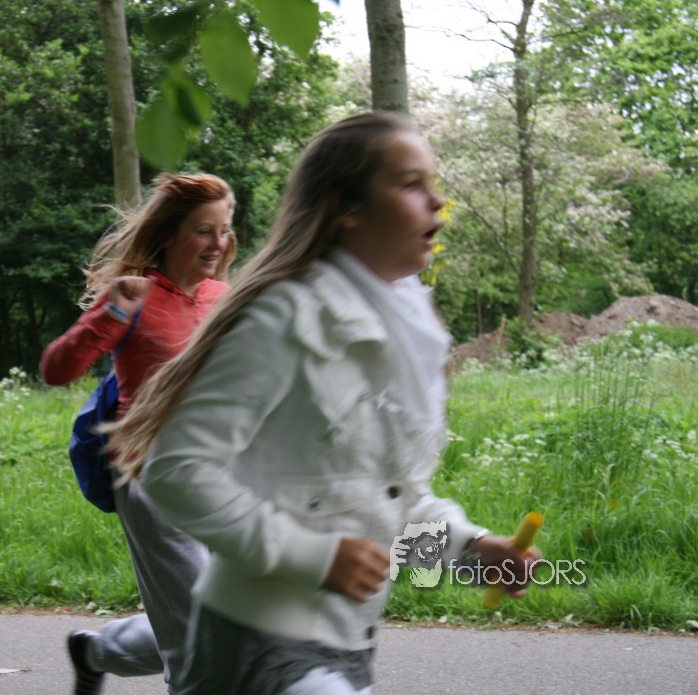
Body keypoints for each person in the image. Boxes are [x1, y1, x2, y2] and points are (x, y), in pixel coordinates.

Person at [108, 113, 540, 695]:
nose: (438, 201)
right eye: (411, 184)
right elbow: (175, 472)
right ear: (348, 207)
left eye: (432, 183)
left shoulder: (403, 328)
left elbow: (385, 504)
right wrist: (312, 557)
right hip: (254, 643)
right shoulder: (285, 317)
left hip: (346, 647)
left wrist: (472, 548)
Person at [40, 172, 237, 695]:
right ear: (169, 235)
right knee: (198, 643)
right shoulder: (133, 296)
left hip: (222, 476)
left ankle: (96, 651)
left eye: (224, 230)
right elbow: (56, 369)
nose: (218, 243)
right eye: (203, 231)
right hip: (151, 474)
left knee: (233, 622)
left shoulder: (225, 297)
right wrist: (109, 316)